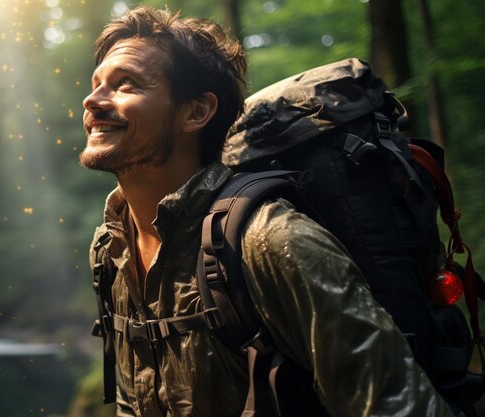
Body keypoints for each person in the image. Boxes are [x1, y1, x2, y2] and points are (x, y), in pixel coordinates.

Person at [80, 5, 455, 417]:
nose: (92, 99)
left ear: (196, 112)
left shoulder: (269, 240)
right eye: (97, 84)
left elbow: (398, 405)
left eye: (125, 84)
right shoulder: (110, 248)